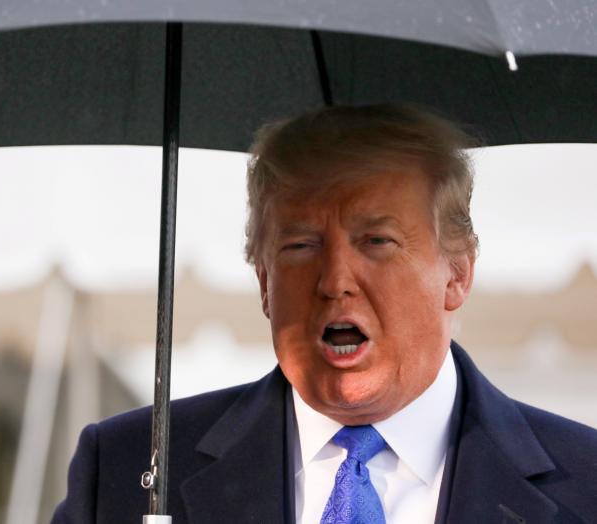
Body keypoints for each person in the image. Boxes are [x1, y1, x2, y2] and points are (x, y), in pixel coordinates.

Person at [52, 105, 597, 524]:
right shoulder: (130, 471)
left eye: (376, 241)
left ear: (457, 273)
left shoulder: (586, 482)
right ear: (264, 281)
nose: (335, 281)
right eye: (300, 245)